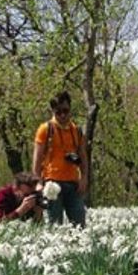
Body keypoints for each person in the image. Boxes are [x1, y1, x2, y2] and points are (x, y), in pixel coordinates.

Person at [32, 91, 88, 227]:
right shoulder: (45, 129)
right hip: (52, 184)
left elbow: (83, 157)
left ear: (70, 109)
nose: (63, 115)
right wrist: (38, 182)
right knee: (55, 225)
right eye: (58, 112)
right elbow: (37, 158)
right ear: (53, 111)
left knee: (79, 224)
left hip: (73, 184)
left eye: (65, 111)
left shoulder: (77, 130)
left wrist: (84, 178)